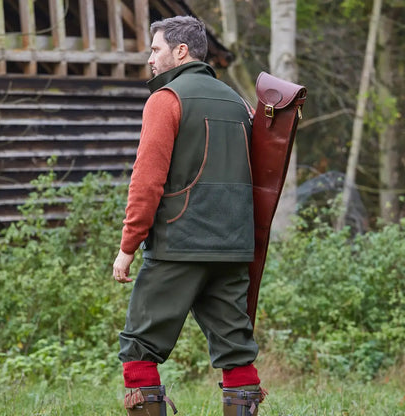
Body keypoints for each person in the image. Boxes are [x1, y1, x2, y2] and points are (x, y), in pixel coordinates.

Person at [113, 15, 266, 416]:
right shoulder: (239, 103)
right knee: (237, 352)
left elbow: (146, 182)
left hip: (178, 246)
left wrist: (127, 245)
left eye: (156, 49)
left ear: (181, 51)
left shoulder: (166, 100)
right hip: (233, 248)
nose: (150, 58)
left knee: (139, 348)